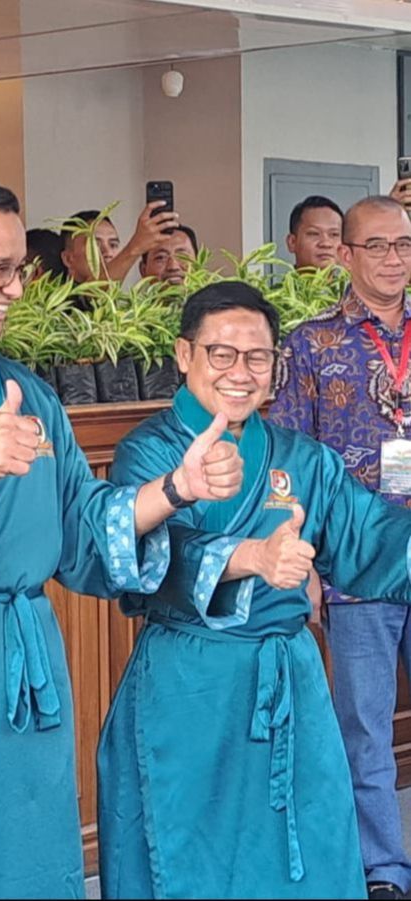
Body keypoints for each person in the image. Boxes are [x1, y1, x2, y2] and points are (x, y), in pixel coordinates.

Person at [0, 178, 244, 900]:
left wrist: (175, 487)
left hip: (27, 667)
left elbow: (85, 531)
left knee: (31, 852)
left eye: (19, 270)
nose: (16, 290)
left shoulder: (25, 389)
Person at [97, 279, 411, 901]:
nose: (240, 372)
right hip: (190, 685)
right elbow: (146, 559)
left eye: (258, 357)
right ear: (184, 355)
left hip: (290, 676)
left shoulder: (304, 458)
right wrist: (252, 557)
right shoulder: (147, 451)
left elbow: (371, 537)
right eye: (222, 354)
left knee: (307, 846)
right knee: (190, 855)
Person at [269, 195, 411, 901]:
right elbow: (288, 461)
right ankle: (383, 871)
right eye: (378, 246)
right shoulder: (308, 344)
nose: (394, 259)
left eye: (404, 245)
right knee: (364, 729)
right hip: (355, 567)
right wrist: (306, 566)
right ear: (346, 255)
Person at [61, 202, 179, 285]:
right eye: (95, 245)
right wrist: (136, 247)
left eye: (113, 245)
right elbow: (92, 294)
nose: (108, 253)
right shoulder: (57, 309)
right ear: (68, 259)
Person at [286, 195, 343, 270]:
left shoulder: (359, 281)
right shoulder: (267, 281)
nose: (326, 244)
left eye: (334, 234)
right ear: (292, 242)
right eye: (314, 234)